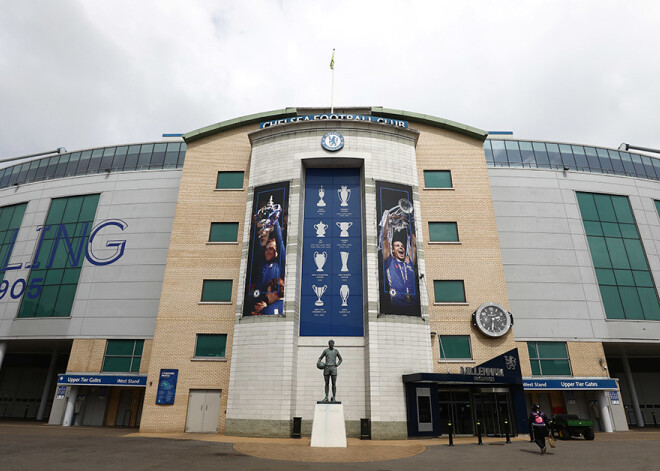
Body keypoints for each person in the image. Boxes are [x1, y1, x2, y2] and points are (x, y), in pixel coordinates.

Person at [382, 211, 417, 313]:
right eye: (397, 246)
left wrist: (410, 222)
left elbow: (414, 245)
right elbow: (384, 238)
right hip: (397, 304)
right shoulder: (390, 260)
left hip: (414, 303)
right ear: (393, 250)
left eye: (402, 246)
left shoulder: (409, 262)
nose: (401, 247)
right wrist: (387, 218)